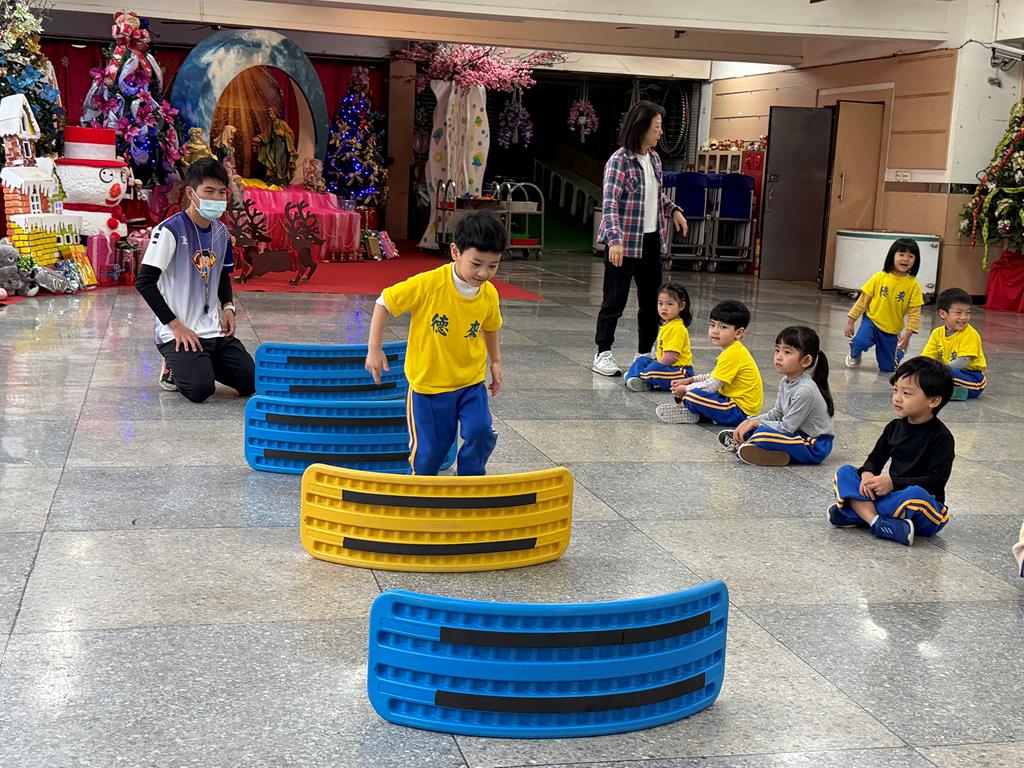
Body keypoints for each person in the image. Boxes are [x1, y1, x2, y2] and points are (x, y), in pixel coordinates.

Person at [365, 211, 504, 476]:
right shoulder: (429, 284)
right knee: (431, 451)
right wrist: (374, 349)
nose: (483, 273)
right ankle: (421, 487)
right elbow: (384, 301)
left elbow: (490, 327)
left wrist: (495, 361)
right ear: (455, 252)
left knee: (481, 431)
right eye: (476, 263)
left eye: (493, 266)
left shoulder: (489, 294)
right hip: (428, 385)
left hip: (470, 381)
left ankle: (470, 481)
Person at [136, 158, 255, 403]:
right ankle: (172, 365)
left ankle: (201, 362)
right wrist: (175, 325)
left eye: (221, 192)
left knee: (251, 382)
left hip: (213, 331)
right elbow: (144, 282)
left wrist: (228, 308)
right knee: (200, 390)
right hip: (178, 331)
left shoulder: (221, 233)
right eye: (209, 191)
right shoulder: (169, 231)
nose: (216, 198)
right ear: (191, 193)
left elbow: (222, 275)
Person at [593, 100, 688, 377]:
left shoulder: (654, 159)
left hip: (650, 240)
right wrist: (614, 240)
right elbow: (610, 203)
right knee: (614, 300)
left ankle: (644, 352)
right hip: (623, 243)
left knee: (651, 302)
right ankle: (603, 353)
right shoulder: (619, 161)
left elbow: (655, 195)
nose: (661, 132)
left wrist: (674, 210)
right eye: (656, 127)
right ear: (641, 127)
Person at [828, 357, 954, 546]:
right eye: (895, 390)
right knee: (845, 472)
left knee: (915, 494)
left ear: (933, 401)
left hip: (924, 508)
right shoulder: (894, 427)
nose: (897, 398)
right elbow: (875, 459)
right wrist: (868, 474)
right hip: (891, 496)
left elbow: (935, 482)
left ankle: (858, 512)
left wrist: (893, 483)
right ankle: (877, 522)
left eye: (906, 393)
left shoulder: (941, 437)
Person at [719, 326, 835, 467]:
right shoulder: (786, 381)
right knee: (758, 428)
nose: (779, 356)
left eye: (787, 352)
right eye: (777, 350)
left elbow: (787, 427)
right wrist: (750, 421)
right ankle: (753, 446)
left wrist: (756, 424)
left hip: (813, 445)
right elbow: (777, 413)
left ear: (805, 361)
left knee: (763, 433)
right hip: (795, 436)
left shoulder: (805, 390)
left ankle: (749, 444)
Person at [655, 300, 763, 426]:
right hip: (731, 404)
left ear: (739, 333)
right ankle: (694, 411)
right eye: (712, 325)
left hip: (740, 412)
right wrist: (690, 380)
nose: (715, 331)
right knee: (694, 393)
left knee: (693, 396)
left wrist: (685, 389)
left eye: (723, 327)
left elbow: (712, 385)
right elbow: (714, 376)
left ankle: (690, 409)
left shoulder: (733, 353)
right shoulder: (732, 350)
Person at [845, 237, 924, 372]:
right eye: (901, 254)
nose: (905, 259)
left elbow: (915, 313)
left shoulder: (914, 285)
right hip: (872, 322)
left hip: (892, 330)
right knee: (860, 342)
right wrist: (851, 321)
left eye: (910, 256)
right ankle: (854, 353)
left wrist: (907, 336)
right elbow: (862, 301)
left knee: (887, 368)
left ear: (915, 260)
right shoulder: (879, 277)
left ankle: (899, 352)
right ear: (892, 256)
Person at [624, 281, 693, 391]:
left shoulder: (677, 328)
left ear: (681, 306)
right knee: (642, 360)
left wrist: (654, 365)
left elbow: (671, 356)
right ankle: (638, 377)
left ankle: (639, 376)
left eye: (669, 304)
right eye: (660, 304)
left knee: (655, 368)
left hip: (680, 372)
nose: (663, 308)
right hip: (667, 366)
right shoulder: (668, 324)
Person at [921, 287, 987, 400]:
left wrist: (938, 370)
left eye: (967, 313)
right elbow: (927, 357)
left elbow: (963, 361)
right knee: (924, 370)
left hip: (973, 379)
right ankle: (950, 392)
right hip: (947, 371)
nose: (964, 317)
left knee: (944, 373)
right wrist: (916, 370)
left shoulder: (970, 334)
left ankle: (939, 390)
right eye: (958, 313)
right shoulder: (937, 333)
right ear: (943, 314)